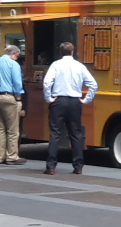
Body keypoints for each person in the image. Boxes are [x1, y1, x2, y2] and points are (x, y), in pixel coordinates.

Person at [42, 41, 97, 175]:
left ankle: (51, 167)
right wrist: (85, 99)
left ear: (60, 52)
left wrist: (49, 98)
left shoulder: (56, 65)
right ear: (73, 52)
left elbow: (47, 82)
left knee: (55, 134)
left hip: (59, 101)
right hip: (74, 102)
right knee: (76, 134)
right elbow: (93, 85)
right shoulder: (80, 66)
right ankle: (78, 166)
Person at [0, 44, 27, 165]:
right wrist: (19, 97)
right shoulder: (13, 64)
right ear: (13, 54)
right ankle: (12, 156)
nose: (17, 58)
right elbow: (17, 82)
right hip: (9, 97)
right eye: (17, 56)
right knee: (12, 129)